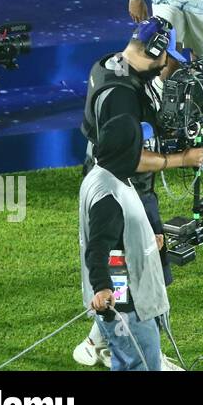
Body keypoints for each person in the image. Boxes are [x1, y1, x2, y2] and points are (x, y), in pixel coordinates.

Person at [73, 19, 203, 370]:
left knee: (143, 266)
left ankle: (116, 345)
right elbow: (131, 157)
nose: (168, 66)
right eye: (167, 59)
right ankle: (132, 352)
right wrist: (182, 159)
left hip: (125, 186)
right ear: (155, 51)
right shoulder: (121, 100)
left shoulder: (110, 63)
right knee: (125, 285)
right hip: (122, 189)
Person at [80, 113, 171, 371]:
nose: (142, 151)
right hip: (127, 304)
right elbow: (97, 247)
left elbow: (118, 233)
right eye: (139, 145)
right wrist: (102, 287)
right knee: (143, 367)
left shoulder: (105, 174)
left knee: (125, 364)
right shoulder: (108, 195)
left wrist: (147, 241)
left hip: (123, 301)